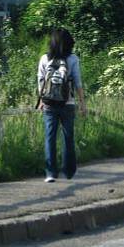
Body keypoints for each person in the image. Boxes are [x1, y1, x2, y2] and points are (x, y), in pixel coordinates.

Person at [37, 28, 86, 183]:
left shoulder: (45, 58)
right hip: (68, 103)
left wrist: (40, 101)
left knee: (49, 137)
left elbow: (41, 81)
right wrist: (82, 103)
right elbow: (78, 83)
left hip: (49, 103)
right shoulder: (73, 59)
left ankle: (50, 172)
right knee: (68, 137)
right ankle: (69, 171)